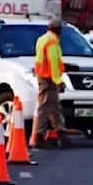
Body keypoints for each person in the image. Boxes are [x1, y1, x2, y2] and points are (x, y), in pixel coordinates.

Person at [33, 16, 73, 149]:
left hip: (44, 76)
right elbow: (53, 62)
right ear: (59, 29)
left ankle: (62, 135)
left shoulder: (43, 39)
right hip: (48, 78)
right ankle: (39, 137)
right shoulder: (52, 42)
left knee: (54, 106)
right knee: (45, 107)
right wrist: (58, 80)